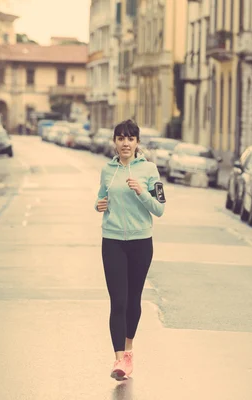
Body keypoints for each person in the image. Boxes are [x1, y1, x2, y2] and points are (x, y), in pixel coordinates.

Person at [95, 119, 166, 381]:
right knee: (118, 301)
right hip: (112, 240)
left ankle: (129, 351)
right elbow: (100, 198)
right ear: (114, 142)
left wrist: (141, 193)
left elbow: (159, 208)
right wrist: (99, 205)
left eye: (130, 138)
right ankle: (118, 360)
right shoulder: (107, 170)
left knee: (133, 299)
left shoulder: (149, 170)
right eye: (121, 138)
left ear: (137, 143)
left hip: (140, 243)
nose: (125, 143)